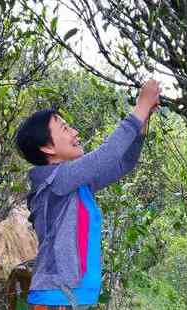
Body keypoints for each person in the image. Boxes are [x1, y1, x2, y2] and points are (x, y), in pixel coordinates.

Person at [15, 80, 161, 310]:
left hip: (71, 299)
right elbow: (107, 155)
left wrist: (143, 121)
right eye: (65, 128)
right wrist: (141, 106)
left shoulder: (73, 185)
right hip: (57, 299)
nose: (75, 132)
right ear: (48, 148)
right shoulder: (57, 181)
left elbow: (123, 163)